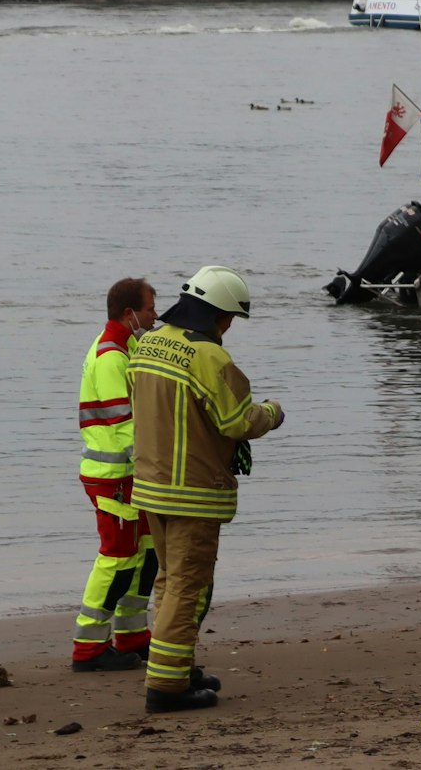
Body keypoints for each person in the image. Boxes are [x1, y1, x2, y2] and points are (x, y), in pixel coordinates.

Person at [130, 266, 285, 712]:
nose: (229, 327)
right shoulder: (210, 357)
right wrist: (272, 412)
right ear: (218, 315)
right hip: (192, 493)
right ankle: (166, 688)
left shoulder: (149, 343)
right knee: (189, 588)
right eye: (229, 318)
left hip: (151, 488)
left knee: (168, 582)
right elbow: (237, 421)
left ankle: (177, 668)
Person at [70, 278, 161, 672]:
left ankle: (132, 637)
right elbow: (123, 425)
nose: (155, 315)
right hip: (114, 476)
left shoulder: (126, 346)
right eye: (150, 308)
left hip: (126, 475)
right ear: (129, 314)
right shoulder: (111, 355)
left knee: (145, 555)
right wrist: (154, 468)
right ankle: (88, 648)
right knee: (118, 557)